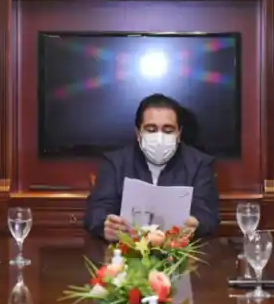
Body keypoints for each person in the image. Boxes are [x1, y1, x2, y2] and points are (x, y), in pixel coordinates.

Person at [84, 93, 220, 241]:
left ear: (179, 134)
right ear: (138, 133)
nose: (159, 138)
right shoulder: (115, 162)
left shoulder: (199, 164)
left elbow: (208, 214)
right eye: (151, 129)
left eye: (168, 130)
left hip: (180, 254)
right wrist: (106, 225)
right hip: (126, 255)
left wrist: (196, 224)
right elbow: (95, 212)